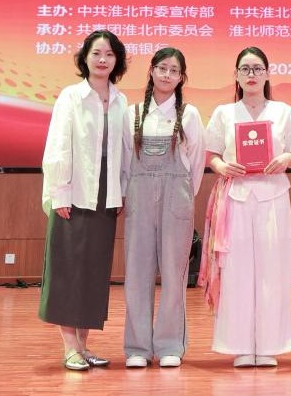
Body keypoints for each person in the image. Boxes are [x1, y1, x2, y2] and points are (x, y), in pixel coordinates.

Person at [203, 47, 291, 368]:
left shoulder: (284, 112)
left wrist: (285, 159)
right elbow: (212, 155)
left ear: (268, 74)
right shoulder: (224, 113)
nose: (251, 75)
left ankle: (270, 345)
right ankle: (240, 346)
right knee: (237, 272)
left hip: (274, 196)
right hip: (237, 198)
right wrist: (222, 167)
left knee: (274, 270)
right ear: (235, 75)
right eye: (245, 69)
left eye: (258, 69)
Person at [39, 29, 129, 371]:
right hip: (74, 191)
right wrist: (60, 191)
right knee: (69, 269)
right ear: (85, 58)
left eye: (109, 54)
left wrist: (121, 191)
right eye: (96, 53)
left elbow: (123, 152)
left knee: (94, 270)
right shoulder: (71, 97)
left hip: (106, 194)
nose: (102, 59)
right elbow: (58, 146)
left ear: (117, 60)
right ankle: (69, 347)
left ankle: (84, 345)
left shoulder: (120, 101)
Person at [122, 48, 205, 369]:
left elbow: (196, 163)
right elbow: (125, 163)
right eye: (162, 68)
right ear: (151, 71)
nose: (167, 75)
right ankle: (137, 348)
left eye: (174, 70)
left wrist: (182, 197)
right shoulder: (132, 113)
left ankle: (170, 345)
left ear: (182, 77)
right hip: (139, 198)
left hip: (176, 200)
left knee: (174, 273)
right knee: (136, 273)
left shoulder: (189, 114)